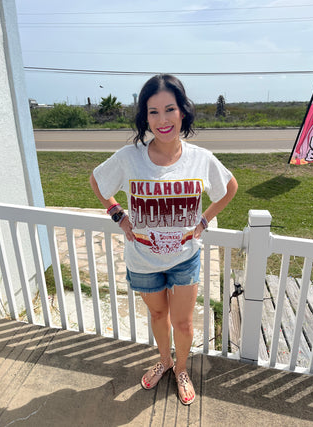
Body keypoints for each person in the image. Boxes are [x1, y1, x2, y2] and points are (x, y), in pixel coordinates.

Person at [90, 74, 238, 405]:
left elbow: (229, 188)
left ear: (182, 112)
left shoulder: (199, 158)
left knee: (183, 323)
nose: (162, 119)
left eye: (169, 109)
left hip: (185, 257)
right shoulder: (130, 157)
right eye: (152, 112)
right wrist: (119, 215)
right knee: (158, 317)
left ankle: (181, 369)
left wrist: (204, 219)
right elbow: (97, 182)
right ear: (145, 117)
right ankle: (165, 361)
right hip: (142, 260)